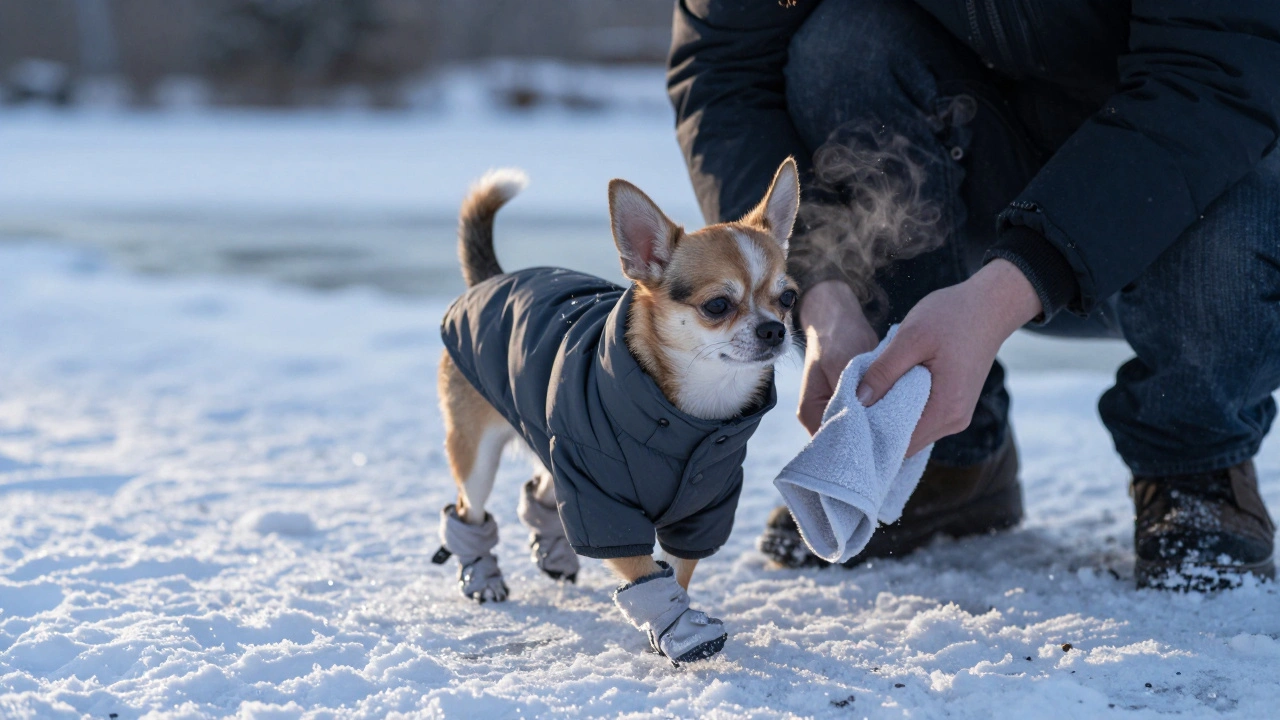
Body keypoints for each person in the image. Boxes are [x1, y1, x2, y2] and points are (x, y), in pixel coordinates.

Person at [667, 0, 1280, 588]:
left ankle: (1197, 458)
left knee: (1239, 161)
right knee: (843, 47)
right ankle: (943, 451)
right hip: (982, 173)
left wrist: (1014, 283)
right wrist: (819, 288)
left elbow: (1216, 73)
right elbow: (725, 71)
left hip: (1192, 190)